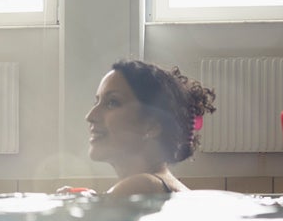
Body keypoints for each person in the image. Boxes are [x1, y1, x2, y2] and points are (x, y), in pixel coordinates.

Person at [84, 59, 215, 195]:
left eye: (112, 102)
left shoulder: (141, 186)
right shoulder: (158, 186)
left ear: (151, 126)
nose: (90, 116)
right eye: (96, 101)